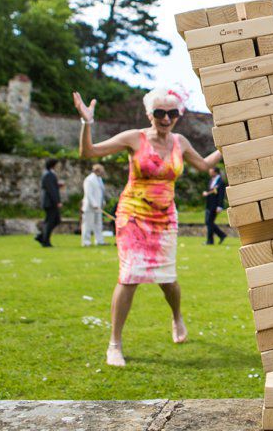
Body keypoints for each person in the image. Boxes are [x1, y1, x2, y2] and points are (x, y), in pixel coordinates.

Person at [73, 86, 222, 367]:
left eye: (172, 113)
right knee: (129, 276)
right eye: (159, 112)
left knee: (168, 279)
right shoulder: (135, 138)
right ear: (148, 114)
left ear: (179, 114)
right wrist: (86, 123)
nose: (166, 118)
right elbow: (88, 152)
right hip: (133, 215)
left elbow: (203, 166)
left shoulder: (180, 142)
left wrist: (228, 145)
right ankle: (114, 344)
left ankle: (177, 317)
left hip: (165, 218)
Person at [36, 158, 62, 247]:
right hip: (50, 202)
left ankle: (41, 236)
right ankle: (45, 241)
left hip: (50, 202)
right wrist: (57, 202)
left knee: (56, 220)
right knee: (50, 221)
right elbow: (51, 190)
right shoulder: (49, 175)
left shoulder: (49, 174)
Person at [81, 164, 107, 246]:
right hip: (90, 206)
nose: (102, 172)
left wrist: (102, 202)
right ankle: (86, 241)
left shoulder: (99, 179)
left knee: (98, 224)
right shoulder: (89, 180)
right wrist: (94, 204)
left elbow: (101, 193)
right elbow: (88, 193)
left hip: (98, 206)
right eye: (101, 170)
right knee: (88, 224)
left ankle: (99, 240)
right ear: (97, 170)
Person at [202, 166, 227, 245]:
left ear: (215, 172)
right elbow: (211, 191)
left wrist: (219, 206)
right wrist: (206, 193)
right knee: (208, 222)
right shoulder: (211, 180)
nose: (209, 173)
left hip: (215, 205)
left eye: (211, 171)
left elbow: (221, 195)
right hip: (209, 205)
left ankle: (210, 241)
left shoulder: (221, 182)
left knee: (209, 222)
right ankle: (221, 235)